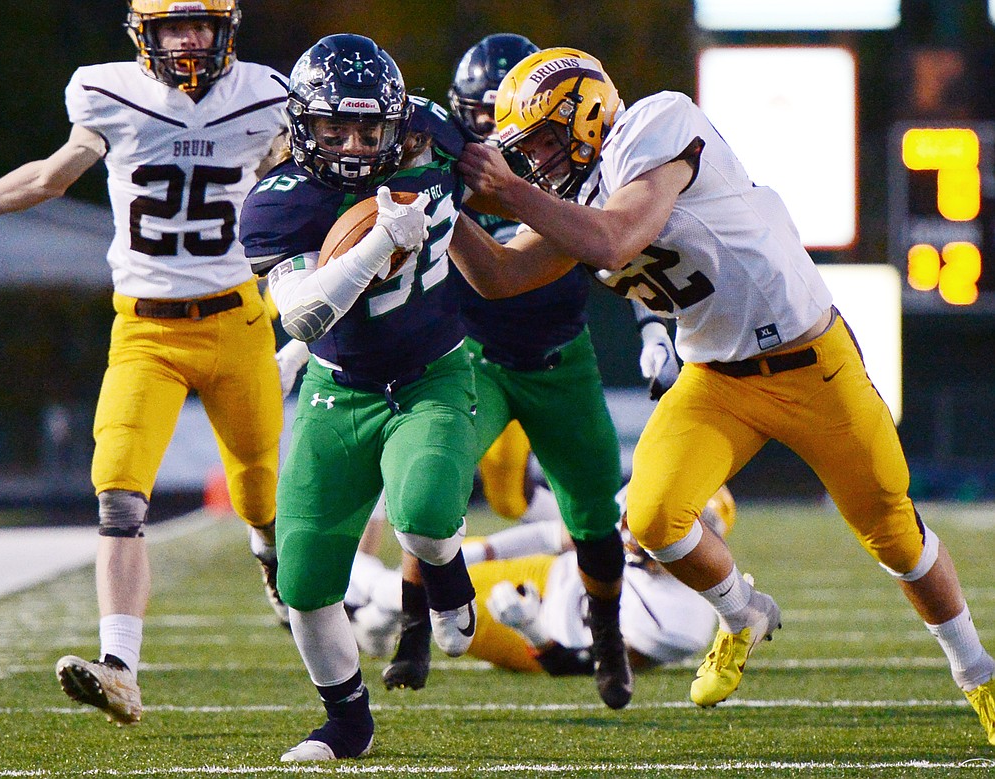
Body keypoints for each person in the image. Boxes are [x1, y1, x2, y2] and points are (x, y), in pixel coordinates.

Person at [450, 47, 995, 744]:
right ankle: (741, 614)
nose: (540, 161)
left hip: (810, 362)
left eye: (548, 140)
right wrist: (443, 211)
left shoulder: (656, 122)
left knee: (894, 533)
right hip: (715, 377)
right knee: (650, 517)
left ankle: (976, 671)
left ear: (586, 117)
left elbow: (617, 240)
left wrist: (509, 192)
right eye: (528, 151)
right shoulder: (575, 196)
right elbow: (499, 275)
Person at [0, 0, 288, 727]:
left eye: (202, 24)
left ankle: (270, 556)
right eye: (176, 26)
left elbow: (299, 183)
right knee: (118, 490)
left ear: (227, 29)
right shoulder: (111, 94)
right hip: (145, 330)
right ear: (147, 34)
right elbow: (49, 179)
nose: (191, 39)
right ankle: (120, 667)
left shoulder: (266, 97)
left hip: (238, 322)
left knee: (260, 491)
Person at [380, 33, 678, 709]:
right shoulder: (446, 168)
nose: (495, 133)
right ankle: (411, 628)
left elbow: (624, 258)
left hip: (559, 360)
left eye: (507, 116)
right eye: (479, 116)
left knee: (594, 511)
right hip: (473, 359)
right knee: (430, 483)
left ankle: (605, 636)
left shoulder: (578, 168)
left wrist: (652, 326)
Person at [239, 33, 483, 762]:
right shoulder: (277, 205)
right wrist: (381, 242)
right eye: (331, 128)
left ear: (396, 123)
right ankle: (346, 720)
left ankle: (445, 568)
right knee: (303, 577)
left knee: (427, 513)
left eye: (366, 128)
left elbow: (495, 172)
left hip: (431, 372)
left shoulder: (435, 135)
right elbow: (305, 315)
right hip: (338, 386)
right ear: (300, 126)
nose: (349, 144)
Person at [347, 487, 736, 675]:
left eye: (687, 525)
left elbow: (592, 668)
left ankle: (353, 589)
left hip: (542, 631)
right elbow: (555, 536)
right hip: (543, 573)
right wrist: (481, 553)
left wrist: (531, 628)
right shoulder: (638, 506)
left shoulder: (686, 620)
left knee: (417, 595)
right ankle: (373, 623)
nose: (662, 530)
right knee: (426, 573)